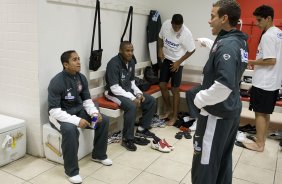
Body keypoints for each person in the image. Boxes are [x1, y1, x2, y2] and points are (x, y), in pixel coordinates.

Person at [191, 1, 248, 183]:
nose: (209, 21)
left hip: (216, 114)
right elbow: (225, 53)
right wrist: (207, 43)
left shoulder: (227, 46)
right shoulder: (238, 41)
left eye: (212, 16)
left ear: (224, 18)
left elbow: (224, 86)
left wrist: (200, 99)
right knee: (222, 161)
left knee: (205, 164)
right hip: (230, 112)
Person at [48, 50, 112, 184]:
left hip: (78, 110)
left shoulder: (81, 77)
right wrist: (77, 121)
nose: (79, 62)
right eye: (74, 60)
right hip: (60, 116)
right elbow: (54, 111)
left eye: (78, 59)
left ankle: (98, 155)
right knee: (71, 130)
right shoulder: (57, 81)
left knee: (103, 120)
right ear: (66, 64)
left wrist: (94, 113)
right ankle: (71, 171)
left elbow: (87, 100)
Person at [243, 5, 282, 152]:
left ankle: (259, 145)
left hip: (265, 82)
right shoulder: (278, 33)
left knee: (259, 113)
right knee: (265, 113)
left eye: (260, 20)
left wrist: (251, 62)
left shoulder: (268, 36)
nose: (257, 23)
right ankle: (262, 140)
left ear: (269, 18)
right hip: (273, 81)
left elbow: (271, 60)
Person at [105, 41, 156, 151]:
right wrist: (132, 97)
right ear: (120, 51)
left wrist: (138, 93)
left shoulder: (131, 61)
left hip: (127, 92)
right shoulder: (113, 64)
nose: (130, 53)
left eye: (132, 50)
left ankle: (142, 129)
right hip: (113, 94)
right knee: (131, 106)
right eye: (127, 50)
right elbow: (114, 88)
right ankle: (127, 139)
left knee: (150, 100)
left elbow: (132, 82)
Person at [158, 14, 196, 126]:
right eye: (175, 26)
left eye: (179, 27)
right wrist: (160, 49)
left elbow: (192, 50)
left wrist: (178, 62)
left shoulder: (186, 33)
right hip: (167, 59)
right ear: (171, 23)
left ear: (182, 24)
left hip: (177, 62)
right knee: (162, 85)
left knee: (175, 89)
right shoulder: (165, 25)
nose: (176, 29)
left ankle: (174, 116)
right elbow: (160, 37)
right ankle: (168, 108)